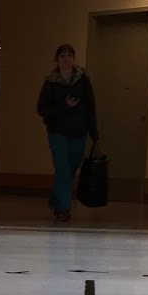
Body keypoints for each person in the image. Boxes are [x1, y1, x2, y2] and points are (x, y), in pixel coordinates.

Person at [37, 43, 99, 223]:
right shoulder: (51, 82)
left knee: (71, 168)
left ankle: (56, 200)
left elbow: (91, 106)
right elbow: (42, 109)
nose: (66, 59)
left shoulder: (83, 79)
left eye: (69, 55)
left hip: (79, 131)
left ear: (74, 58)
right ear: (57, 59)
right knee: (62, 169)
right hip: (58, 132)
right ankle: (64, 209)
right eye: (62, 56)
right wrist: (65, 106)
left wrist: (94, 132)